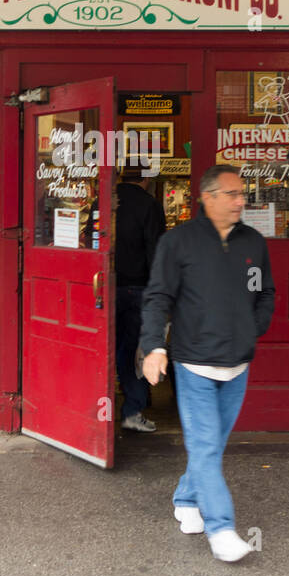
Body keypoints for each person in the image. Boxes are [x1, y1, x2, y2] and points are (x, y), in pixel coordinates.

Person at [140, 165, 276, 561]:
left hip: (237, 364)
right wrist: (154, 347)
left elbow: (261, 289)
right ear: (208, 197)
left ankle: (185, 497)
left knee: (211, 446)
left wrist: (253, 327)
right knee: (204, 445)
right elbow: (158, 297)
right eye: (232, 194)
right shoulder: (179, 243)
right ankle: (221, 529)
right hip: (194, 363)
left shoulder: (252, 243)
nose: (240, 201)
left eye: (242, 194)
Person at [113, 170, 166, 432]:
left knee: (105, 349)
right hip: (139, 288)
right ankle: (132, 412)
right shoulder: (150, 205)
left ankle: (89, 412)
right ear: (145, 179)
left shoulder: (107, 200)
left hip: (106, 286)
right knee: (136, 353)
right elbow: (157, 251)